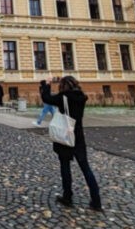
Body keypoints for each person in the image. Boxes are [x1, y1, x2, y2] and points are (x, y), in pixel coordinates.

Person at [42, 76, 102, 211]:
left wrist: (46, 84)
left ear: (63, 86)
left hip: (65, 136)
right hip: (78, 136)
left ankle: (67, 197)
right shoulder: (81, 97)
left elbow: (46, 98)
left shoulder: (63, 97)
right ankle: (96, 201)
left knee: (65, 167)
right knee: (86, 169)